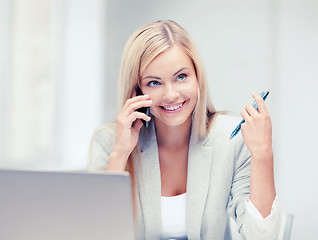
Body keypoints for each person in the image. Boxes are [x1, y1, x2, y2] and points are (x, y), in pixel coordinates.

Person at [88, 20, 281, 240]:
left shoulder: (231, 139)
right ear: (136, 90)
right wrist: (120, 154)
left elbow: (262, 237)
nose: (171, 95)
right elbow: (98, 234)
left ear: (197, 78)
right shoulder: (109, 142)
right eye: (154, 82)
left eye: (181, 77)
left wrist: (263, 154)